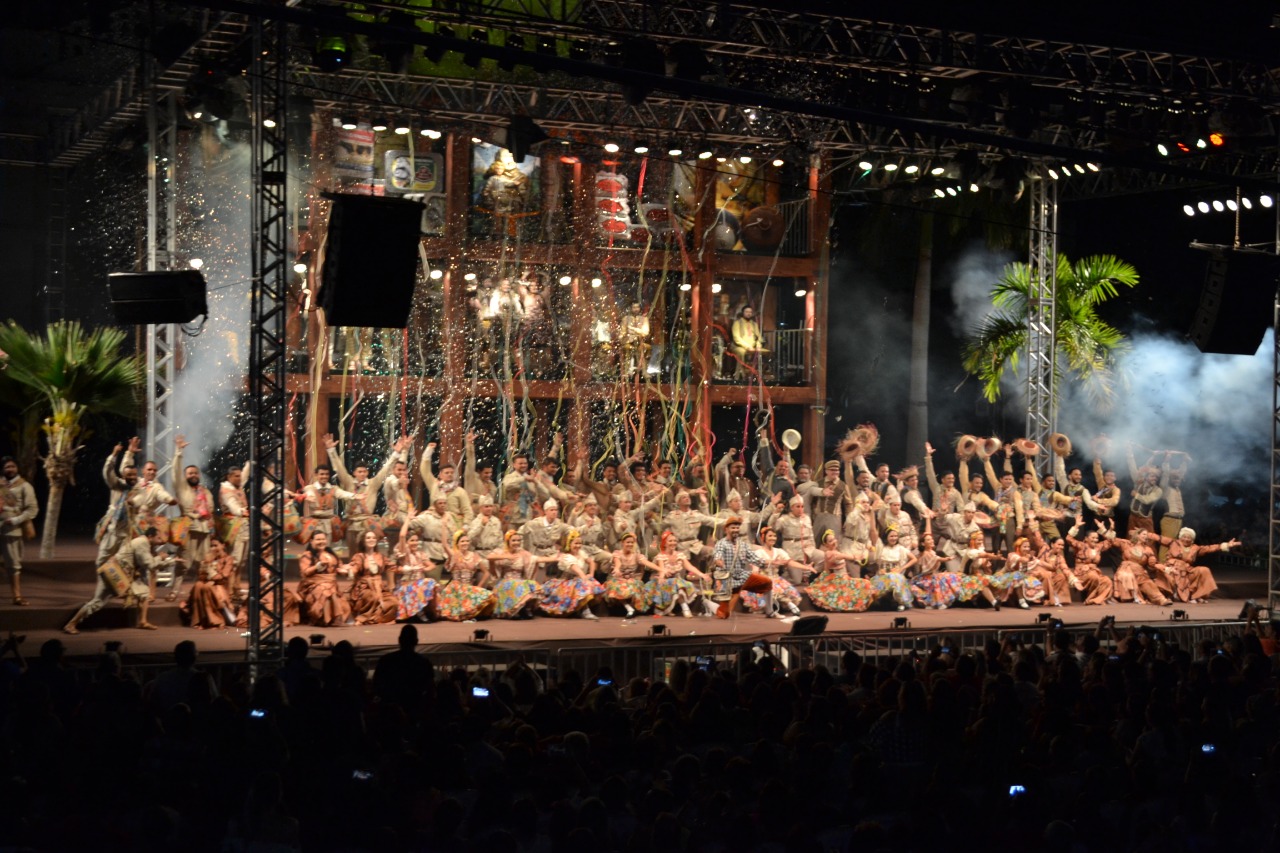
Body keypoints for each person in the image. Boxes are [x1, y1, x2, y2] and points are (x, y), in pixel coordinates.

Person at [64, 526, 175, 633]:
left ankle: (142, 621)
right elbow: (149, 564)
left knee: (144, 592)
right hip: (115, 574)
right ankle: (71, 624)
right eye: (158, 538)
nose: (161, 541)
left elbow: (149, 564)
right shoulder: (142, 543)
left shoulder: (142, 542)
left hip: (122, 573)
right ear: (150, 536)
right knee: (97, 602)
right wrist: (161, 557)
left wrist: (167, 561)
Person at [326, 433, 409, 555]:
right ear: (354, 473)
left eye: (365, 471)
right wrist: (331, 450)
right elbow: (339, 468)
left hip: (367, 524)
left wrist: (396, 454)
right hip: (352, 523)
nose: (362, 474)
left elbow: (385, 469)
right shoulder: (348, 482)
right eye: (360, 471)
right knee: (353, 554)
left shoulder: (373, 483)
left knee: (369, 552)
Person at [170, 436, 214, 600]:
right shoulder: (182, 489)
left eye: (195, 473)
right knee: (184, 562)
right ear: (185, 476)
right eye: (190, 473)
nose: (193, 475)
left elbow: (210, 512)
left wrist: (212, 530)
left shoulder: (205, 492)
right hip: (189, 529)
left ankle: (201, 592)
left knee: (204, 563)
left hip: (204, 530)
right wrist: (179, 452)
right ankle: (175, 590)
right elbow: (175, 471)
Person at [1152, 527, 1240, 603]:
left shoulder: (1195, 548)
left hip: (1187, 571)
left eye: (1189, 538)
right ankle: (1170, 594)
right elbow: (1158, 537)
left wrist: (1226, 545)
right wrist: (1143, 533)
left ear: (1192, 540)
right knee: (1167, 572)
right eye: (1184, 537)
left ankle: (1197, 595)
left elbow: (1209, 548)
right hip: (1172, 569)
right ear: (1180, 537)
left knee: (1204, 570)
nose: (1186, 539)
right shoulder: (1173, 543)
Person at [711, 516, 774, 619]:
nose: (735, 530)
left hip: (741, 576)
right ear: (726, 529)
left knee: (767, 582)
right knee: (724, 614)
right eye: (733, 528)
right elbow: (718, 555)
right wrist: (719, 561)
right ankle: (709, 604)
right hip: (727, 580)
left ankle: (770, 611)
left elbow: (753, 557)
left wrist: (766, 563)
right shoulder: (721, 544)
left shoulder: (742, 544)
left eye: (737, 528)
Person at [744, 526, 810, 620]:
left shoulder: (779, 551)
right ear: (763, 538)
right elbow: (755, 568)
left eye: (774, 536)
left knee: (786, 590)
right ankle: (788, 604)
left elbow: (789, 562)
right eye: (770, 536)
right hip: (764, 579)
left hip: (776, 578)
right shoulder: (759, 552)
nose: (773, 538)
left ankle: (785, 603)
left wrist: (805, 567)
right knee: (771, 587)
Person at [540, 530, 605, 619]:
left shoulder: (581, 553)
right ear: (569, 544)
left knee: (588, 583)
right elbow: (577, 570)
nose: (578, 546)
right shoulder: (566, 557)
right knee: (582, 585)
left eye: (579, 543)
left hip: (578, 579)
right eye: (575, 543)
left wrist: (591, 574)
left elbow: (591, 562)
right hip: (567, 582)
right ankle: (585, 611)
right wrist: (585, 579)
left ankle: (582, 609)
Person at [645, 530, 710, 618]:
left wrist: (702, 574)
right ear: (665, 543)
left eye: (675, 541)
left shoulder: (680, 555)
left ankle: (684, 608)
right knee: (675, 583)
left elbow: (690, 567)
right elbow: (662, 570)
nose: (673, 543)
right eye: (670, 541)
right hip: (661, 580)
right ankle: (683, 608)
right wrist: (661, 577)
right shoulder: (661, 556)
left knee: (680, 584)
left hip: (674, 581)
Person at [806, 530, 876, 612]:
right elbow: (842, 557)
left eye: (834, 539)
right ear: (825, 544)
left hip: (845, 578)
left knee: (865, 583)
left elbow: (827, 568)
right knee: (865, 584)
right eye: (830, 541)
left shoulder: (836, 551)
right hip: (839, 580)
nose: (834, 541)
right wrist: (856, 557)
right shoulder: (829, 553)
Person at [0, 455, 38, 605]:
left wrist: (16, 520)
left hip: (12, 530)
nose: (9, 469)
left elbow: (32, 509)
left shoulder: (24, 486)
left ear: (17, 468)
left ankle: (17, 596)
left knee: (13, 564)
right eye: (7, 467)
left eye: (12, 466)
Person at [435, 531, 495, 622]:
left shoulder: (474, 556)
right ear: (457, 544)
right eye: (462, 541)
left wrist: (479, 586)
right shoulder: (454, 555)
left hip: (468, 588)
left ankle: (470, 613)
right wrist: (444, 524)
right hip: (455, 588)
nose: (465, 543)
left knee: (489, 596)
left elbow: (486, 572)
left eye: (467, 541)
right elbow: (444, 544)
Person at [297, 529, 351, 627]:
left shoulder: (331, 555)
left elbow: (339, 567)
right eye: (318, 540)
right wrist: (316, 567)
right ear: (311, 541)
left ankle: (335, 618)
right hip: (313, 585)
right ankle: (325, 620)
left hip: (332, 584)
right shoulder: (307, 555)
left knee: (332, 593)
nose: (321, 542)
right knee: (325, 591)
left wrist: (344, 570)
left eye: (323, 539)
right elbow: (305, 572)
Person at [181, 536, 237, 629]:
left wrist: (211, 578)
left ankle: (215, 621)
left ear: (223, 545)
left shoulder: (228, 559)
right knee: (198, 585)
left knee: (207, 587)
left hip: (220, 586)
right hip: (208, 584)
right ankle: (199, 621)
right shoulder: (209, 558)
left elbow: (224, 575)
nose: (213, 548)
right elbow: (201, 576)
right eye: (211, 546)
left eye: (216, 545)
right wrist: (207, 562)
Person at [347, 530, 397, 625]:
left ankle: (377, 618)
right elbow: (355, 567)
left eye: (373, 538)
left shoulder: (380, 556)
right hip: (364, 587)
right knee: (372, 597)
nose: (371, 540)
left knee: (394, 602)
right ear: (363, 541)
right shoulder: (359, 556)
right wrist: (350, 571)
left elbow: (391, 566)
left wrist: (398, 560)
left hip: (379, 587)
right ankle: (363, 618)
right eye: (368, 538)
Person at [1063, 517, 1115, 606]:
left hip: (1094, 572)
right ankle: (1090, 598)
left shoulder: (1098, 547)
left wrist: (1104, 529)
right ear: (1086, 538)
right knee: (1093, 576)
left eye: (1097, 538)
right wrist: (1076, 526)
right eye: (1093, 538)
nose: (1095, 540)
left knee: (1107, 581)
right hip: (1081, 573)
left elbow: (1110, 541)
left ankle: (1094, 600)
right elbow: (1068, 538)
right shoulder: (1081, 546)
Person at [490, 530, 541, 619]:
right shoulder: (501, 552)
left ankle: (522, 606)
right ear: (508, 541)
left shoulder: (522, 553)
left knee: (532, 584)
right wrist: (506, 557)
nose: (516, 543)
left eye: (518, 540)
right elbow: (489, 557)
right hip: (505, 582)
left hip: (519, 580)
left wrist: (555, 558)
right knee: (517, 584)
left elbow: (535, 559)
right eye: (513, 540)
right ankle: (517, 607)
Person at [605, 532, 655, 620]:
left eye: (632, 542)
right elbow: (618, 563)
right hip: (619, 579)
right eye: (628, 542)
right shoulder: (617, 553)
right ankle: (629, 608)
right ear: (622, 543)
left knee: (635, 584)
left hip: (633, 580)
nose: (630, 544)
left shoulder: (637, 555)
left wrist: (661, 569)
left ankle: (633, 607)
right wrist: (617, 569)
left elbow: (647, 563)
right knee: (614, 585)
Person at [392, 531, 438, 622]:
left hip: (418, 583)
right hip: (406, 585)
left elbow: (432, 565)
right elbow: (402, 535)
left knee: (432, 584)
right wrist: (411, 568)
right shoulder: (404, 554)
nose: (415, 543)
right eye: (412, 540)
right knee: (423, 585)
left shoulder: (420, 554)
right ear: (406, 543)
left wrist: (423, 569)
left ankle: (429, 612)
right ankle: (420, 613)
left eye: (416, 540)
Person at [869, 525, 915, 611]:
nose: (894, 538)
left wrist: (902, 568)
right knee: (886, 579)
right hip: (882, 576)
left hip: (896, 576)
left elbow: (914, 559)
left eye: (895, 536)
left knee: (895, 578)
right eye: (891, 536)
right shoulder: (881, 548)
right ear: (886, 537)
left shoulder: (900, 548)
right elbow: (873, 532)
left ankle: (900, 601)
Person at [729, 304, 765, 379]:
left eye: (750, 312)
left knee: (763, 352)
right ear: (743, 313)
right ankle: (739, 376)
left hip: (752, 346)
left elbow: (759, 337)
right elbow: (736, 338)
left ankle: (758, 375)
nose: (749, 313)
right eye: (747, 312)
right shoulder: (737, 323)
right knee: (741, 352)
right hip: (739, 346)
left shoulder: (754, 324)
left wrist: (758, 344)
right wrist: (747, 346)